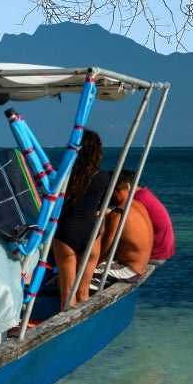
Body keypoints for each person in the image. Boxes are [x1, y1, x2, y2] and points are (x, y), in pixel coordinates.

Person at [51, 131, 110, 310]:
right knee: (84, 294)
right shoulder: (104, 177)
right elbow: (101, 210)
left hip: (65, 233)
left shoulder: (62, 176)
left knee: (67, 296)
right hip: (91, 234)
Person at [95, 172, 155, 282]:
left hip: (127, 270)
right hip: (140, 266)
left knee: (81, 275)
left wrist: (89, 264)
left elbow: (105, 251)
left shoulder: (117, 214)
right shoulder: (138, 205)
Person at [120, 170, 175, 260]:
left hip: (154, 251)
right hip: (163, 249)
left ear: (127, 186)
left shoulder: (136, 199)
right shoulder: (144, 193)